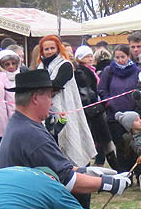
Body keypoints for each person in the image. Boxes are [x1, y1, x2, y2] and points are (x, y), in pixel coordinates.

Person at [0, 69, 131, 209]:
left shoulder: (22, 124)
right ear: (35, 97)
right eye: (49, 95)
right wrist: (110, 184)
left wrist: (93, 172)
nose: (52, 101)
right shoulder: (31, 133)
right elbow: (68, 181)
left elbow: (62, 169)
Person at [38, 36, 97, 169]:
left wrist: (40, 87)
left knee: (72, 140)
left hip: (66, 108)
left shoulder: (65, 65)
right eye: (46, 49)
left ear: (58, 49)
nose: (49, 51)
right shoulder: (40, 66)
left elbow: (57, 84)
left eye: (52, 48)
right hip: (46, 111)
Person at [98, 44, 141, 171]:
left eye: (123, 57)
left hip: (133, 114)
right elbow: (101, 90)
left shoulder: (137, 72)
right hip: (114, 115)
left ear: (128, 56)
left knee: (135, 144)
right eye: (117, 57)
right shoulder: (108, 71)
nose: (120, 60)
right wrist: (110, 103)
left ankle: (138, 172)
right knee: (120, 144)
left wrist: (136, 106)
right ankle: (123, 173)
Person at [74, 45, 117, 169]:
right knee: (98, 140)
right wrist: (96, 105)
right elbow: (86, 92)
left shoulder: (90, 70)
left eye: (90, 55)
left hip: (94, 109)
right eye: (86, 56)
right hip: (92, 111)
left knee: (103, 141)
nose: (90, 58)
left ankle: (113, 167)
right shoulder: (81, 72)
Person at [0, 50, 19, 157]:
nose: (11, 66)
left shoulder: (22, 76)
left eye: (13, 63)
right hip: (3, 122)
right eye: (7, 64)